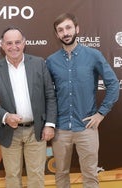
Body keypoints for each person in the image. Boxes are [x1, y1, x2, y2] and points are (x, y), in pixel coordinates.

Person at [46, 13, 120, 188]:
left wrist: (101, 114)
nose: (65, 33)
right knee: (61, 175)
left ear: (77, 29)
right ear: (57, 35)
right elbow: (47, 94)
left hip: (87, 128)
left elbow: (113, 84)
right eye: (60, 30)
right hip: (60, 129)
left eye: (68, 28)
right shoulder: (51, 61)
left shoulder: (93, 55)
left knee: (90, 175)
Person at [0, 26, 57, 188]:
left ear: (24, 43)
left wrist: (50, 124)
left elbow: (50, 96)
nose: (14, 47)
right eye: (9, 43)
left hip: (36, 130)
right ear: (2, 45)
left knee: (36, 175)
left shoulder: (39, 64)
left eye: (18, 42)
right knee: (11, 176)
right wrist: (5, 116)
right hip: (9, 132)